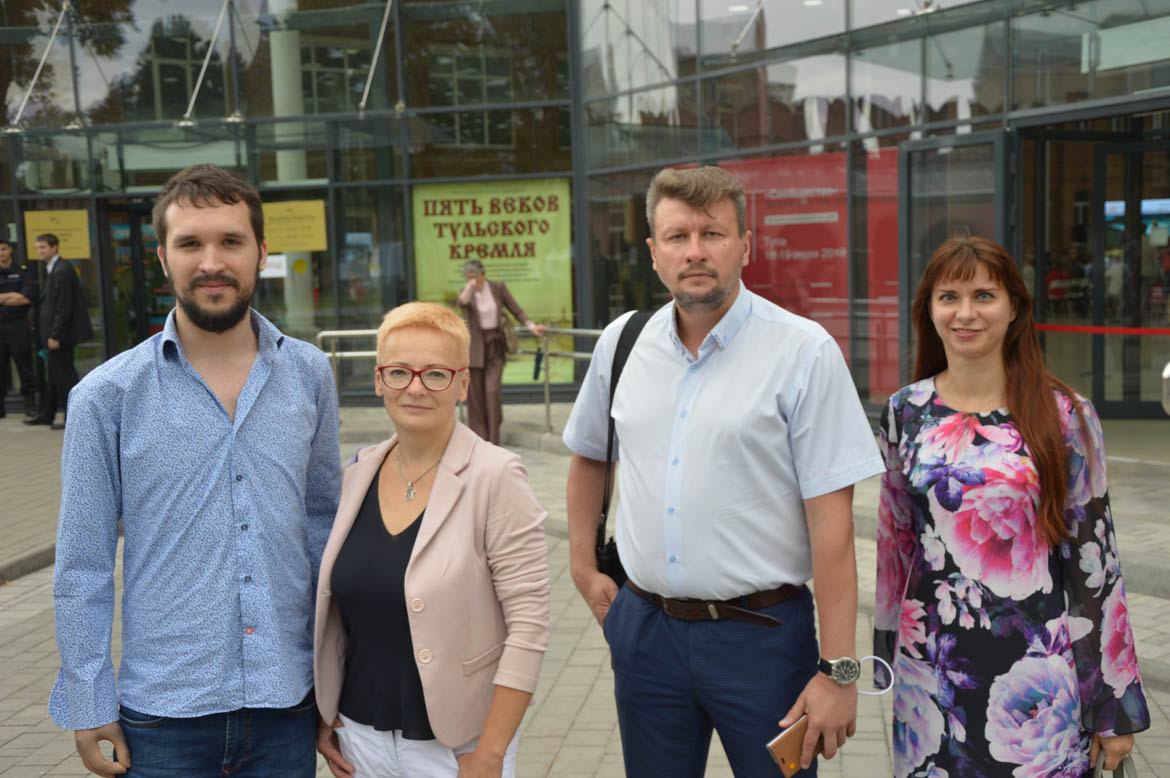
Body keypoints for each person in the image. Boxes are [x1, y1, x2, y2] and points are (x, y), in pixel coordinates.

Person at [562, 166, 884, 777]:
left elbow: (833, 529)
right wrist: (581, 564)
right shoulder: (622, 344)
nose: (695, 252)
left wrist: (839, 672)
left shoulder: (804, 352)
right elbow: (589, 456)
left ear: (745, 245)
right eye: (677, 237)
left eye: (712, 233)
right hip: (645, 632)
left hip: (764, 642)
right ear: (653, 252)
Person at [49, 164, 342, 777]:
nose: (212, 262)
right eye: (190, 244)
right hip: (163, 719)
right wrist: (88, 699)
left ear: (261, 252)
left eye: (231, 241)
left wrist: (338, 681)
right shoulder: (106, 396)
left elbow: (324, 530)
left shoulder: (310, 374)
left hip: (288, 706)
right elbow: (83, 563)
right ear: (163, 258)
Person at [874, 235, 1150, 778]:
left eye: (984, 295)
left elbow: (1096, 565)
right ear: (929, 311)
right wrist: (885, 659)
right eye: (949, 297)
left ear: (1015, 307)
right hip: (933, 673)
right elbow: (894, 546)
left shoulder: (1065, 414)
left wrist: (1113, 707)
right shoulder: (904, 411)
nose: (965, 313)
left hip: (1040, 685)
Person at [315, 301, 549, 778]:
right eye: (399, 372)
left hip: (457, 749)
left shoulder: (495, 476)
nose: (416, 387)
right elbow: (342, 620)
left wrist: (490, 752)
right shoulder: (355, 475)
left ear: (463, 384)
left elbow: (529, 626)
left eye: (436, 374)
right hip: (359, 742)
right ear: (379, 380)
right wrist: (326, 715)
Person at [455, 259, 545, 445]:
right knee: (475, 396)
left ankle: (493, 440)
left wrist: (531, 326)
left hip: (495, 345)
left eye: (474, 276)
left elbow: (516, 310)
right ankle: (478, 440)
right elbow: (461, 303)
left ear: (483, 274)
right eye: (468, 277)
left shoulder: (498, 287)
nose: (472, 280)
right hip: (475, 348)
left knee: (492, 391)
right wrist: (470, 287)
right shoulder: (467, 292)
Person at [24, 233, 92, 429]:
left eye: (43, 247)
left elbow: (64, 306)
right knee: (55, 376)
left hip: (60, 337)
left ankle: (75, 419)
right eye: (38, 248)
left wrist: (56, 335)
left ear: (54, 247)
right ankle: (47, 414)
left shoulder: (62, 270)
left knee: (65, 377)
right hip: (53, 334)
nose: (39, 251)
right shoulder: (54, 268)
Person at [0, 239, 37, 417]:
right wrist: (12, 296)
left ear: (10, 250)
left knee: (24, 365)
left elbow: (25, 298)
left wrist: (2, 298)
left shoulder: (22, 271)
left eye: (3, 249)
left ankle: (30, 405)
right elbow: (17, 297)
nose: (1, 253)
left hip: (18, 325)